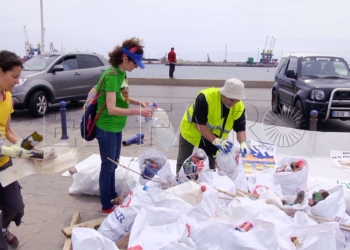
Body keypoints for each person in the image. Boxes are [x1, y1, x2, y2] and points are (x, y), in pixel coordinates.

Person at [95, 37, 154, 216]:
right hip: (106, 127)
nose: (136, 66)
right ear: (125, 58)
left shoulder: (122, 74)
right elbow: (112, 108)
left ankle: (112, 196)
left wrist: (139, 102)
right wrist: (138, 112)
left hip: (116, 127)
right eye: (135, 63)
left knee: (114, 164)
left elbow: (124, 99)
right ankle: (106, 205)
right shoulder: (112, 76)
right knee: (107, 166)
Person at [0, 50, 37, 249]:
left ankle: (4, 229)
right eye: (14, 76)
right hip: (5, 155)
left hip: (4, 164)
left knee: (15, 208)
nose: (16, 82)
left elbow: (8, 131)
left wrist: (30, 147)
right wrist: (17, 152)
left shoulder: (7, 98)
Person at [176, 78, 251, 173]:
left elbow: (240, 129)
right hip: (191, 132)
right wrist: (216, 141)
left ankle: (209, 183)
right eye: (232, 100)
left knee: (210, 168)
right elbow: (199, 124)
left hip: (214, 138)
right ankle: (179, 182)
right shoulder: (206, 97)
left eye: (237, 100)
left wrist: (243, 143)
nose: (234, 103)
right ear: (224, 94)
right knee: (184, 162)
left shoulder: (238, 106)